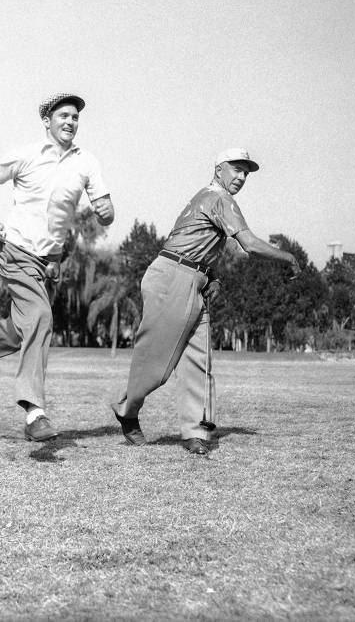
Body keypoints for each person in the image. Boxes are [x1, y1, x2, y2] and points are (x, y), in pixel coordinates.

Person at [110, 147, 300, 455]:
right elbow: (249, 244)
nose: (241, 177)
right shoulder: (219, 198)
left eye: (246, 173)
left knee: (199, 360)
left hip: (190, 277)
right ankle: (127, 409)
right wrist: (287, 257)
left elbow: (199, 243)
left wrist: (213, 278)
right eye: (236, 169)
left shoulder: (203, 197)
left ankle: (195, 431)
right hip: (173, 277)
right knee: (158, 362)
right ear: (218, 170)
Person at [0, 92, 114, 442]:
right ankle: (34, 411)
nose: (70, 122)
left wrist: (106, 212)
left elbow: (105, 208)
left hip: (50, 261)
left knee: (19, 330)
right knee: (41, 318)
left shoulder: (86, 162)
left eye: (75, 117)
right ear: (47, 120)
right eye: (64, 116)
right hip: (16, 250)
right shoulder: (25, 155)